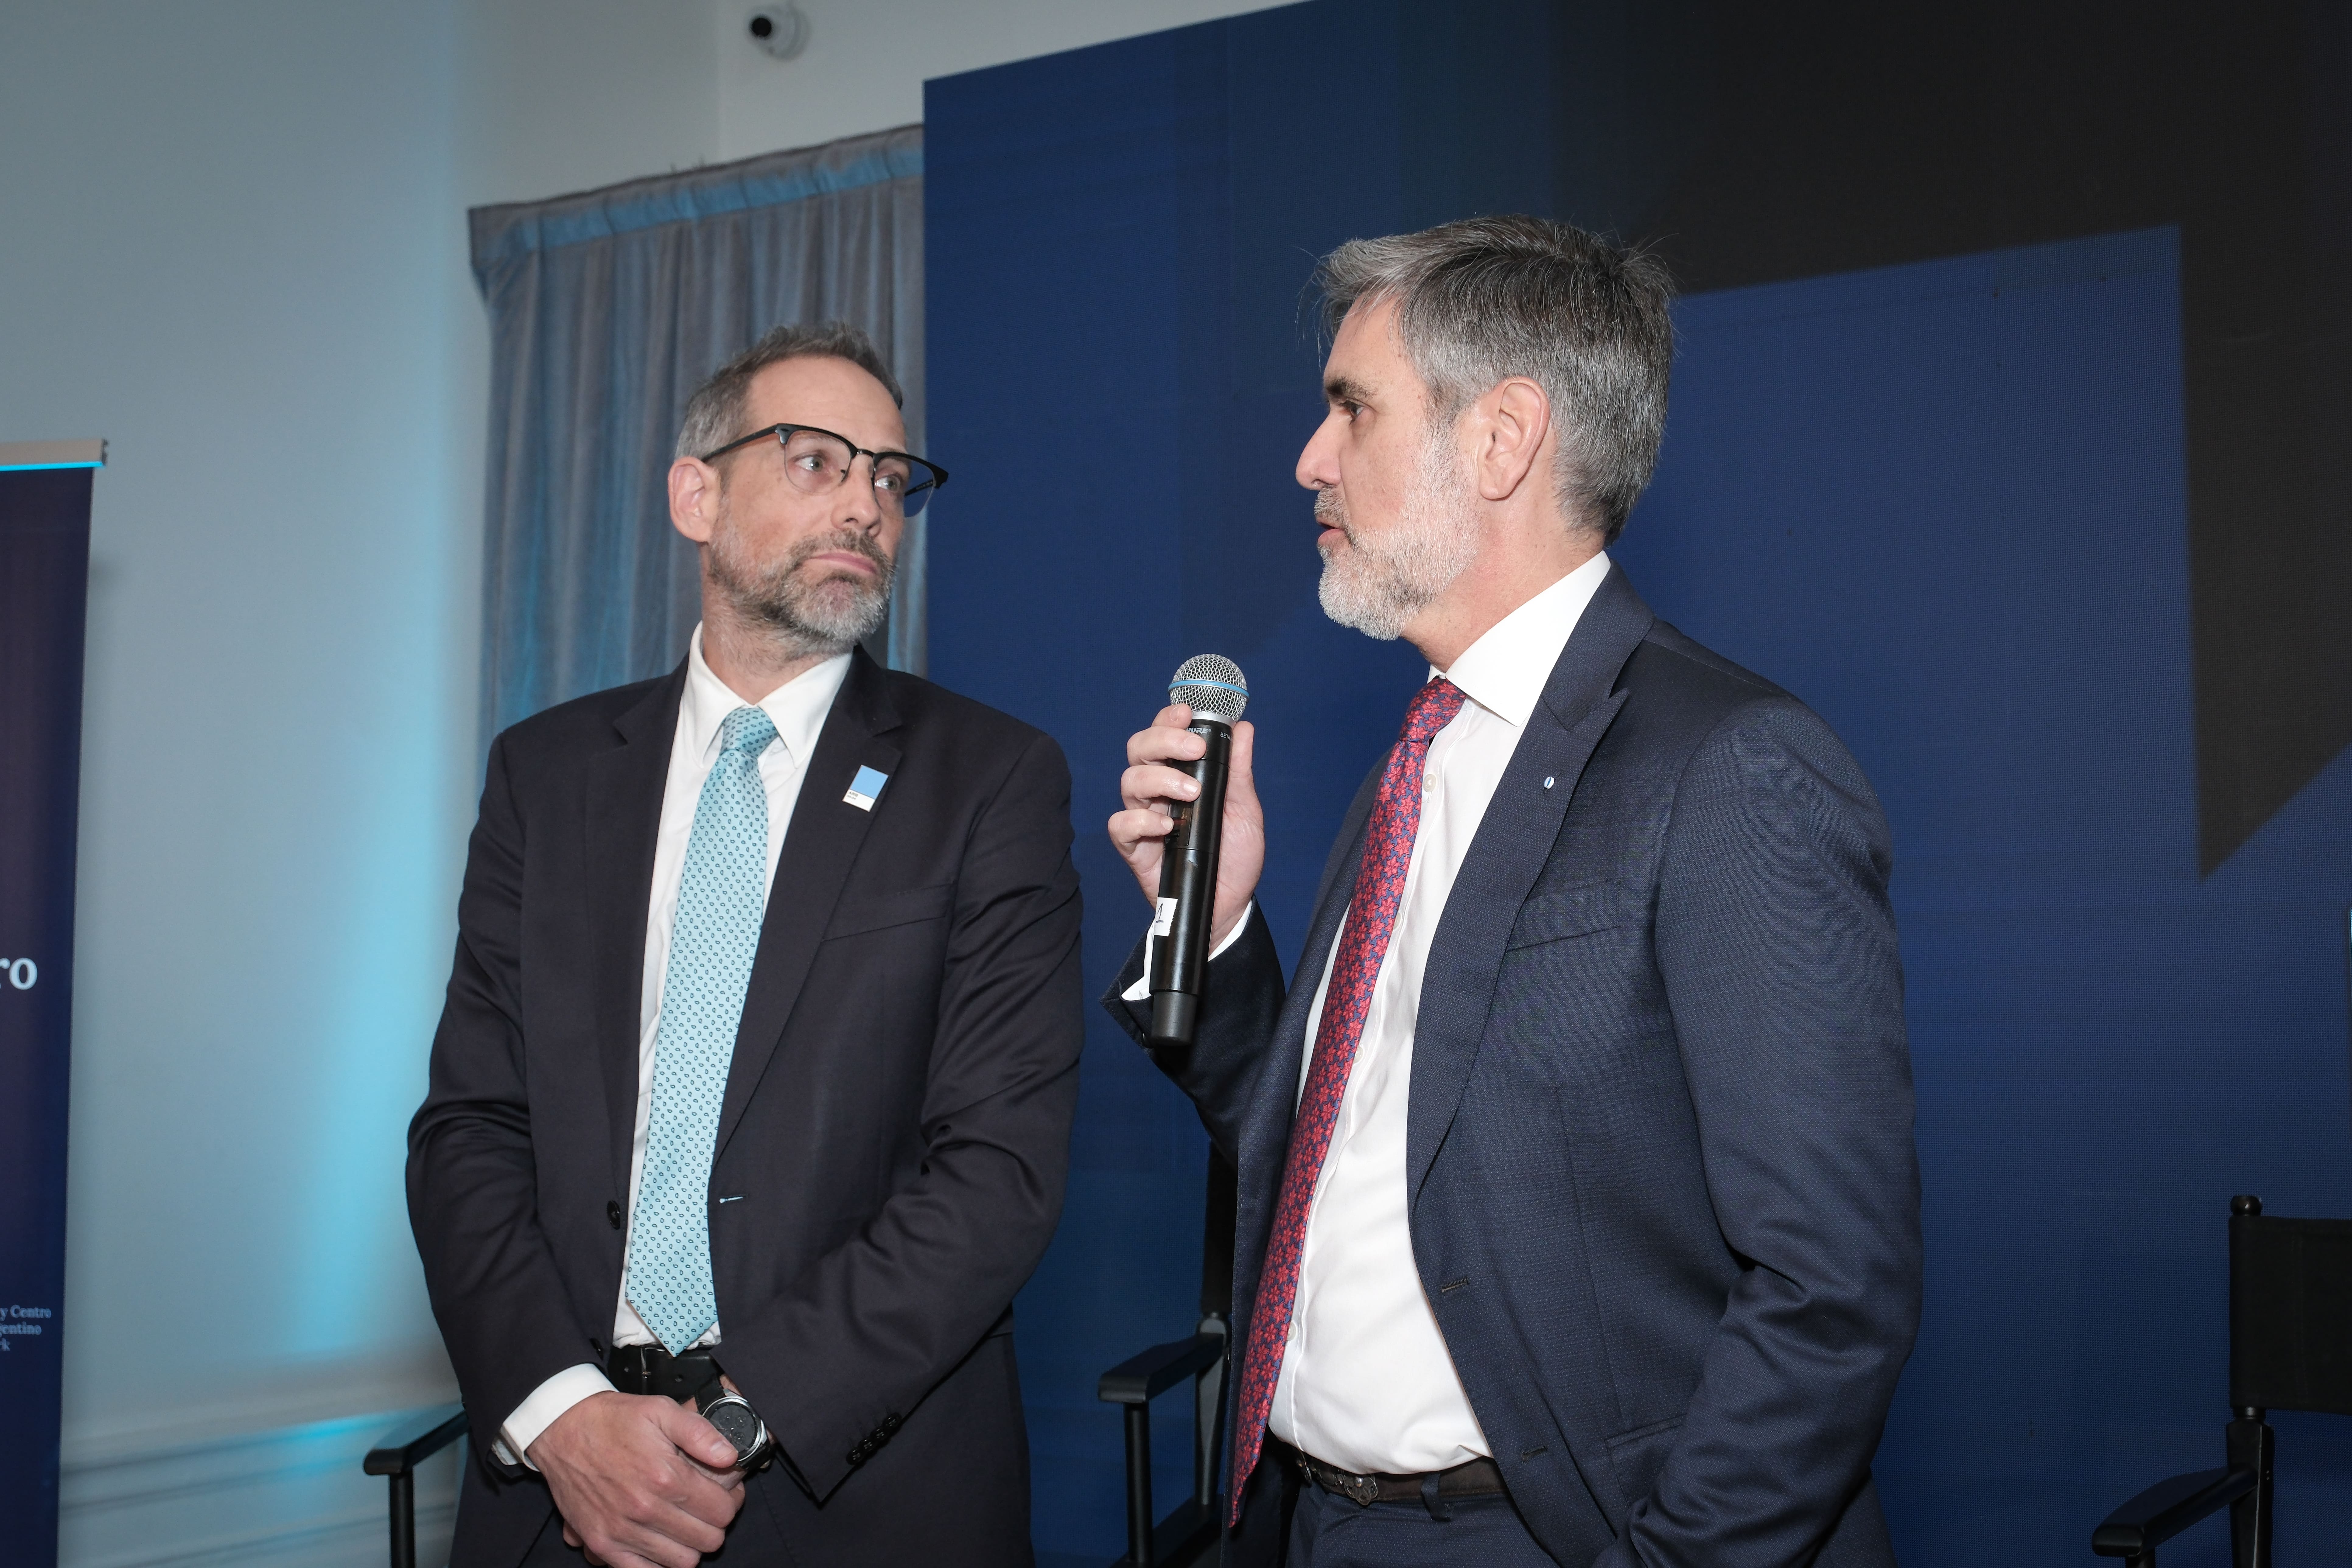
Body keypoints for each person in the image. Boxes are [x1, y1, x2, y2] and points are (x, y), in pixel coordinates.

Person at [1107, 217, 1921, 1566]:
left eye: (1352, 408)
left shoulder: (1733, 766)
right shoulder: (1418, 756)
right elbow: (1329, 1154)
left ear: (1501, 440)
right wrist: (1222, 922)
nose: (1310, 457)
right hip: (1316, 1526)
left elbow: (1833, 1291)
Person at [411, 321, 1083, 1568]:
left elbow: (996, 1173)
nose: (867, 506)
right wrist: (563, 1414)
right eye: (817, 461)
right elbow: (472, 1128)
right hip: (560, 1486)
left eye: (892, 477)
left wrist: (730, 1418)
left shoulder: (989, 780)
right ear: (696, 496)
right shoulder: (546, 776)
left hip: (856, 1495)